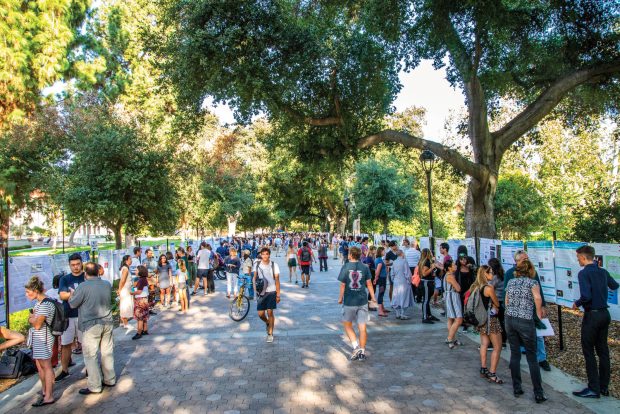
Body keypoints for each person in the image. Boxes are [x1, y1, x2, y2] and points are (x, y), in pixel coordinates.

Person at [572, 245, 619, 398]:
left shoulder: (584, 273)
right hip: (604, 314)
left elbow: (586, 296)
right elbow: (614, 285)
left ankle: (593, 388)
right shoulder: (603, 271)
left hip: (592, 315)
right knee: (603, 350)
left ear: (584, 257)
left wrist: (577, 303)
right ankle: (604, 386)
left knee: (589, 351)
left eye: (578, 257)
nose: (577, 259)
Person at [68, 262, 115, 395]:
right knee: (107, 352)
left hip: (90, 324)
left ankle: (95, 385)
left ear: (85, 273)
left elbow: (73, 304)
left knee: (90, 355)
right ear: (98, 271)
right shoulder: (107, 284)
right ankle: (110, 379)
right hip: (107, 321)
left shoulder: (83, 287)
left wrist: (72, 294)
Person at [505, 259, 546, 403]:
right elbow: (537, 297)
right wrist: (539, 312)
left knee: (515, 354)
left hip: (510, 319)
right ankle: (538, 392)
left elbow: (507, 301)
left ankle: (517, 387)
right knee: (532, 356)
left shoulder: (511, 282)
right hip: (525, 320)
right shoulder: (532, 283)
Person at [504, 250, 551, 371]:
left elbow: (538, 292)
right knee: (518, 338)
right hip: (518, 312)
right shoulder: (510, 274)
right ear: (517, 261)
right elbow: (507, 295)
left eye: (527, 258)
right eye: (524, 259)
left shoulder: (533, 272)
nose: (527, 261)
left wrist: (542, 306)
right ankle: (517, 360)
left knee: (539, 335)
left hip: (532, 309)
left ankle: (542, 358)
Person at [338, 246, 377, 361]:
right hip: (362, 300)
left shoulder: (345, 267)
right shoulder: (364, 267)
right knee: (362, 327)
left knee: (347, 324)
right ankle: (362, 351)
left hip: (349, 300)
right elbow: (369, 284)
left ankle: (356, 347)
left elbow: (343, 285)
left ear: (350, 255)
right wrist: (373, 297)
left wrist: (340, 298)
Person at [25, 276, 56, 407]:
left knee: (46, 366)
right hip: (40, 339)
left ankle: (48, 396)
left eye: (28, 292)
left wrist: (31, 319)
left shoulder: (45, 304)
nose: (26, 295)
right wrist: (34, 318)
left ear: (36, 291)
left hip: (44, 339)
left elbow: (37, 324)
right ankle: (45, 391)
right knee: (41, 366)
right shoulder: (40, 303)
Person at [56, 253, 85, 382]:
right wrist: (75, 295)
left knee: (86, 343)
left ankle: (90, 368)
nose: (75, 267)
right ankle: (64, 370)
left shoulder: (87, 277)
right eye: (73, 265)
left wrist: (73, 295)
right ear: (69, 265)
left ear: (82, 264)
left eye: (78, 264)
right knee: (65, 344)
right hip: (68, 315)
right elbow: (62, 295)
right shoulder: (65, 279)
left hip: (83, 315)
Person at [472, 265, 503, 384]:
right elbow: (497, 303)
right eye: (491, 272)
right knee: (497, 346)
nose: (493, 275)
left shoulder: (476, 287)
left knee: (484, 344)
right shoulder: (489, 288)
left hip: (481, 320)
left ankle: (483, 368)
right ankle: (492, 373)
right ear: (485, 274)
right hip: (491, 320)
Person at [253, 247, 281, 343]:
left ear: (269, 255)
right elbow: (254, 278)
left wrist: (278, 294)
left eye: (266, 254)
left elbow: (277, 279)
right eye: (263, 254)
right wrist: (254, 291)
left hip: (272, 291)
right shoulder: (256, 265)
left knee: (270, 312)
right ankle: (268, 322)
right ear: (261, 255)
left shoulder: (274, 265)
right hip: (261, 292)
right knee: (260, 314)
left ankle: (270, 333)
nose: (265, 256)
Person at [443, 259, 463, 349]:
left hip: (449, 296)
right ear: (449, 267)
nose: (455, 266)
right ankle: (450, 338)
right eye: (454, 265)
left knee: (451, 319)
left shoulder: (449, 275)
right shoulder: (450, 276)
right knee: (458, 319)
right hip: (452, 297)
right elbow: (458, 288)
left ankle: (452, 338)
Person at [488, 258, 506, 347]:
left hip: (496, 301)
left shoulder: (495, 277)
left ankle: (495, 342)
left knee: (494, 321)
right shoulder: (503, 274)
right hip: (502, 300)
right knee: (502, 321)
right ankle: (504, 340)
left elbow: (490, 287)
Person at [390, 250, 414, 320]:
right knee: (404, 297)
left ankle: (397, 313)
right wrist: (410, 280)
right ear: (401, 254)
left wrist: (393, 280)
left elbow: (392, 273)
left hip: (396, 281)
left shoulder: (394, 262)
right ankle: (402, 313)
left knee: (396, 297)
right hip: (403, 281)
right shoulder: (404, 261)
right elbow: (407, 273)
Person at [418, 248, 439, 324]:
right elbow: (424, 273)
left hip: (429, 282)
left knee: (427, 300)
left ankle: (429, 315)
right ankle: (424, 317)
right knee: (426, 300)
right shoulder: (426, 262)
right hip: (426, 283)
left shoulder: (425, 261)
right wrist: (432, 268)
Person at [456, 253, 475, 331]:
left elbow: (473, 281)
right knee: (461, 306)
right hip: (460, 291)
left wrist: (469, 291)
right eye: (461, 259)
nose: (463, 261)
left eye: (464, 259)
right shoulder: (457, 270)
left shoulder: (470, 269)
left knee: (468, 306)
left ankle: (467, 322)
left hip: (469, 290)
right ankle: (463, 322)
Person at [131, 266, 151, 340]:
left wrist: (131, 293)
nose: (135, 271)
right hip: (144, 299)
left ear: (140, 271)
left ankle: (139, 332)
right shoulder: (144, 279)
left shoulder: (141, 280)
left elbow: (139, 291)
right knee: (144, 316)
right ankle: (145, 330)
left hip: (140, 300)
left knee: (139, 317)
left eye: (136, 270)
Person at [118, 255, 134, 328]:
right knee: (125, 305)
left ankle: (122, 322)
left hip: (127, 288)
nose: (131, 260)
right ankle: (125, 323)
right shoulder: (125, 269)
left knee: (124, 305)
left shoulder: (126, 268)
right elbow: (123, 280)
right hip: (125, 289)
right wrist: (120, 289)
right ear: (126, 261)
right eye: (130, 259)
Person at [374, 246, 389, 317]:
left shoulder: (378, 259)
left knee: (381, 293)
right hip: (381, 279)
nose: (385, 252)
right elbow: (377, 271)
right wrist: (376, 278)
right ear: (380, 252)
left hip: (381, 278)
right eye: (383, 251)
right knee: (381, 293)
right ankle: (380, 311)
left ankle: (382, 308)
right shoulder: (380, 261)